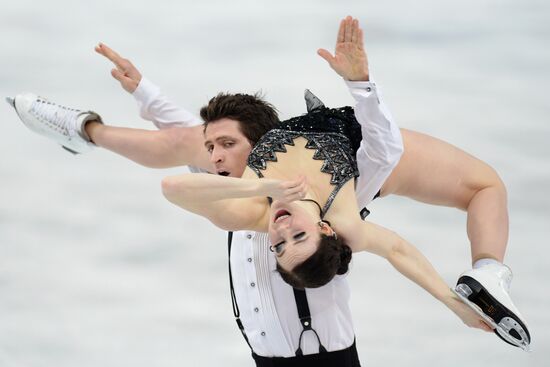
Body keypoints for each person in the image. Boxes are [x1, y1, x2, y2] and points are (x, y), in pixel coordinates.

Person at [7, 16, 529, 363]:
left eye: (278, 247)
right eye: (294, 239)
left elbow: (184, 171)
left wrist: (266, 186)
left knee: (483, 185)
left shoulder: (249, 209)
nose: (280, 234)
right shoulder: (334, 211)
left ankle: (489, 272)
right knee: (192, 140)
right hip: (306, 344)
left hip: (292, 345)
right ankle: (82, 130)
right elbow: (392, 215)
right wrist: (360, 84)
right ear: (324, 230)